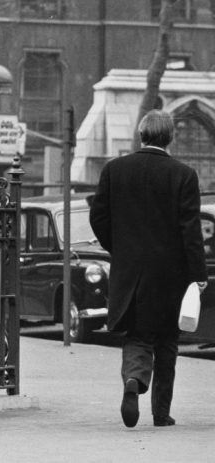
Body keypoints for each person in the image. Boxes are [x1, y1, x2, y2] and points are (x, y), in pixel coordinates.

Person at [89, 109, 208, 428]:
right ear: (170, 138)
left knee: (137, 334)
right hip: (170, 275)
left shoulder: (115, 170)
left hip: (129, 272)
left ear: (141, 135)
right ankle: (161, 412)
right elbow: (190, 230)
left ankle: (134, 380)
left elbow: (98, 217)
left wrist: (120, 248)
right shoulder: (183, 175)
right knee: (167, 340)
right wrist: (198, 275)